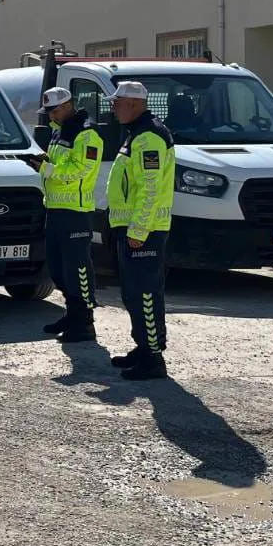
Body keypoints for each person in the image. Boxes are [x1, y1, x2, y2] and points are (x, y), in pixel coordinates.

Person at [106, 81, 176, 381]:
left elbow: (151, 189)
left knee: (145, 293)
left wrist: (139, 229)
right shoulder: (137, 134)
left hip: (144, 230)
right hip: (132, 227)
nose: (113, 108)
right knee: (133, 293)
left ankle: (153, 357)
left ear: (133, 103)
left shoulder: (149, 138)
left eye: (116, 102)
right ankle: (144, 347)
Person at [25, 87, 104, 346]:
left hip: (76, 212)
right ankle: (72, 314)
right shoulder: (61, 131)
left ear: (69, 106)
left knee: (78, 268)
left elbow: (81, 170)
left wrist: (46, 168)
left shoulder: (87, 133)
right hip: (56, 208)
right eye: (48, 112)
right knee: (58, 269)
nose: (51, 116)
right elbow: (61, 164)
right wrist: (44, 161)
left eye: (54, 110)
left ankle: (84, 322)